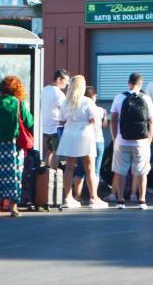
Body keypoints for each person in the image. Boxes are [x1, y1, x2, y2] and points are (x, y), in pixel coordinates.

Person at [55, 76, 108, 209]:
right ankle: (93, 198)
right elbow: (93, 119)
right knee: (89, 167)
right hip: (85, 134)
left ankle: (68, 198)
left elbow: (61, 121)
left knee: (70, 167)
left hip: (69, 134)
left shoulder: (66, 102)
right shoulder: (87, 101)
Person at [0, 75, 34, 217]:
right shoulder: (18, 103)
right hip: (13, 145)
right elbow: (29, 122)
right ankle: (13, 207)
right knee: (14, 175)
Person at [110, 73, 153, 210]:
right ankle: (142, 200)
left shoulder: (119, 97)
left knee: (120, 171)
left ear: (128, 83)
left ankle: (120, 200)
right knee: (142, 171)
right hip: (141, 142)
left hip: (122, 141)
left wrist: (115, 137)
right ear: (140, 84)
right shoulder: (146, 98)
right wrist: (148, 139)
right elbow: (151, 121)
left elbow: (113, 119)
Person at [73, 86, 107, 200]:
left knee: (80, 170)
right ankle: (94, 197)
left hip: (83, 141)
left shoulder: (78, 108)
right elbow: (104, 125)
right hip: (98, 140)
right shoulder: (101, 110)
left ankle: (77, 196)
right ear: (94, 96)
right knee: (95, 170)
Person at [40, 69, 70, 169]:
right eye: (65, 81)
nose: (67, 84)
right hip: (56, 126)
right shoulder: (58, 93)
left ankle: (46, 172)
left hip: (45, 126)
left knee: (48, 151)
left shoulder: (44, 89)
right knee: (56, 152)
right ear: (58, 79)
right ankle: (53, 173)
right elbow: (66, 109)